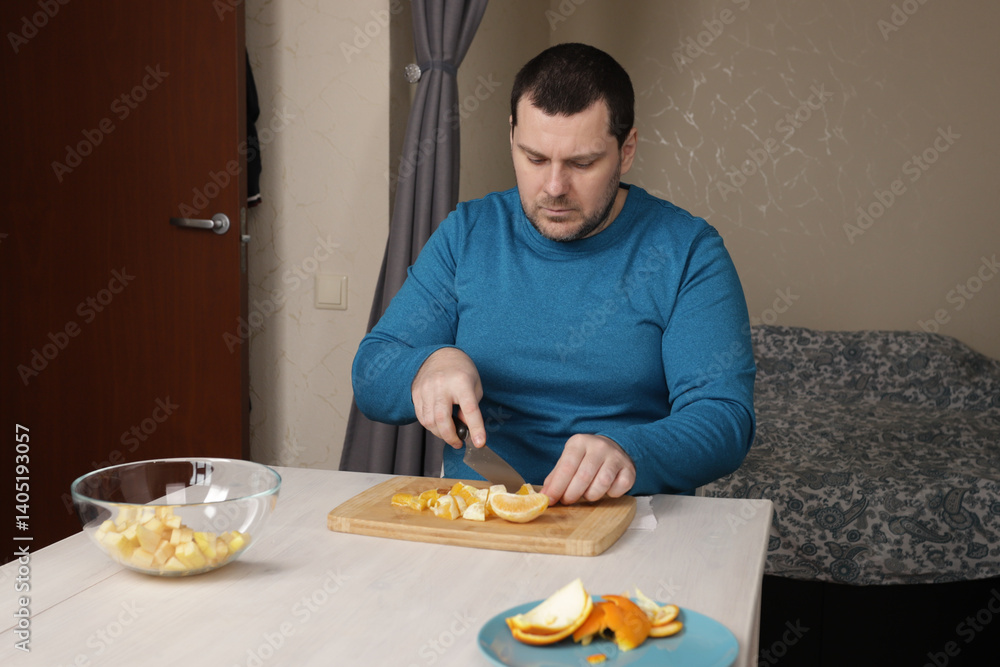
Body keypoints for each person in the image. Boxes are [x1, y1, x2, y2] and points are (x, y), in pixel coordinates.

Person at [352, 43, 755, 504]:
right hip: (484, 512)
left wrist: (630, 451)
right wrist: (426, 365)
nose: (554, 187)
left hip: (631, 515)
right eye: (535, 158)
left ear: (626, 151)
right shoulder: (468, 234)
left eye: (582, 163)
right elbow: (371, 372)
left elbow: (724, 418)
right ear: (512, 137)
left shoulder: (688, 251)